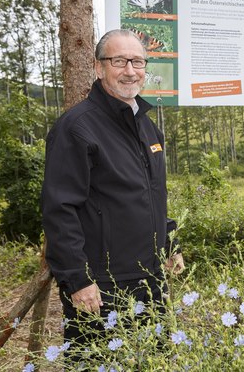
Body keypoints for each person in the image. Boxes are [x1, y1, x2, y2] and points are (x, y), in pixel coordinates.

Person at [41, 29, 184, 346]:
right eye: (119, 61)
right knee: (99, 362)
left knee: (152, 360)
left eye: (137, 61)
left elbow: (151, 195)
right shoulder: (77, 128)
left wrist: (170, 242)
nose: (130, 71)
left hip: (150, 277)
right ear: (98, 67)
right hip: (102, 284)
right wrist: (78, 280)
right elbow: (59, 209)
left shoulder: (147, 127)